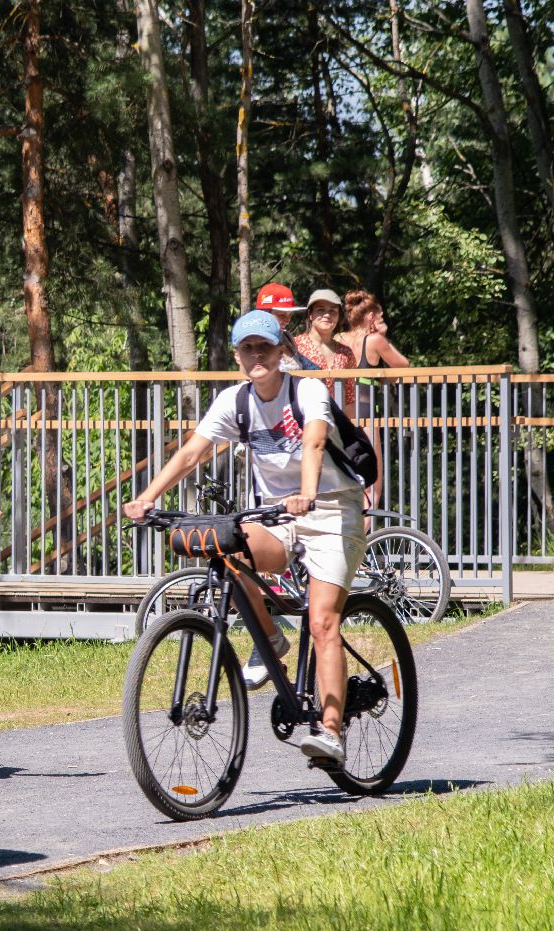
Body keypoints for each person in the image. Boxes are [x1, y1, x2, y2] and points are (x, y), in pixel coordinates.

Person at [123, 309, 368, 765]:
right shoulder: (235, 401)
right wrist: (147, 497)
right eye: (247, 348)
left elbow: (314, 442)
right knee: (225, 549)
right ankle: (271, 639)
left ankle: (331, 732)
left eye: (265, 347)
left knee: (322, 622)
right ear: (237, 355)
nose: (257, 356)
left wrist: (308, 493)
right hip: (276, 516)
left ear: (282, 351)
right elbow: (192, 452)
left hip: (332, 510)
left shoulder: (307, 390)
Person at [338, 290, 412, 510]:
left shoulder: (338, 339)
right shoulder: (374, 340)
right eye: (379, 317)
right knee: (372, 486)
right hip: (365, 415)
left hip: (340, 416)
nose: (381, 321)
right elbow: (403, 367)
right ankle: (361, 541)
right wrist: (384, 335)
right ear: (370, 317)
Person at [293, 288, 357, 411]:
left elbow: (349, 398)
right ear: (310, 315)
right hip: (302, 422)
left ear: (339, 316)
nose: (327, 315)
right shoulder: (295, 347)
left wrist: (348, 429)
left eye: (333, 311)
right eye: (320, 310)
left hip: (335, 423)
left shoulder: (346, 353)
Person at [254, 282, 316, 371]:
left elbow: (312, 369)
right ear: (265, 314)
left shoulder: (286, 337)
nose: (288, 320)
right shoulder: (253, 341)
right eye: (281, 315)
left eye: (290, 315)